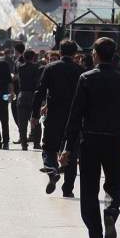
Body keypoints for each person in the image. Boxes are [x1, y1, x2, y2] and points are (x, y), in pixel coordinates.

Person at [62, 37, 120, 238]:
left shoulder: (86, 78)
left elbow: (75, 115)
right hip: (114, 140)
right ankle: (111, 211)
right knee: (114, 183)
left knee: (88, 189)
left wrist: (68, 147)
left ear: (95, 54)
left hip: (90, 141)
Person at [32, 40, 84, 196]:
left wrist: (34, 114)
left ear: (60, 51)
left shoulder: (50, 68)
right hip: (73, 117)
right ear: (75, 53)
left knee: (48, 148)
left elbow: (39, 92)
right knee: (71, 152)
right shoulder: (80, 71)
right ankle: (68, 189)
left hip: (54, 115)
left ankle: (53, 170)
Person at [13, 49, 40, 151]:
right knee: (35, 119)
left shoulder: (20, 68)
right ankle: (36, 143)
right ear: (33, 57)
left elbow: (18, 62)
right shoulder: (36, 67)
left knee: (22, 121)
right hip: (33, 95)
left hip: (22, 95)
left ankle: (24, 144)